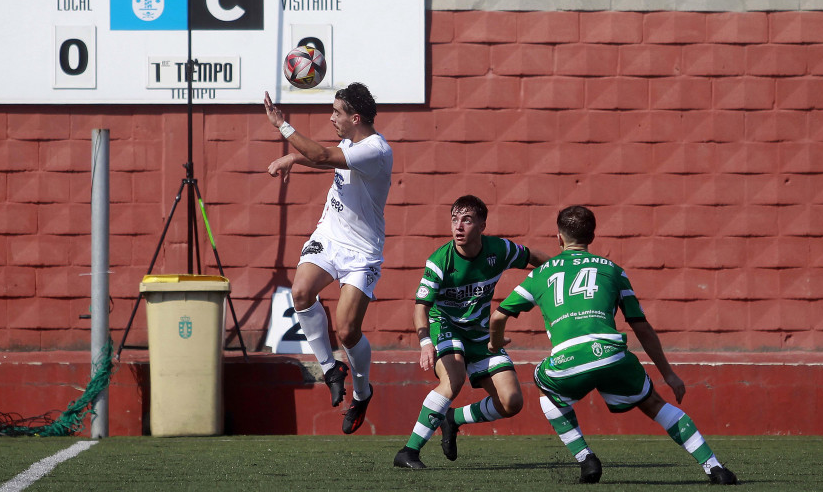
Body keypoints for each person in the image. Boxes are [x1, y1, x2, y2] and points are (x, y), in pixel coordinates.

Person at [488, 205, 738, 485]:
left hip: (568, 360)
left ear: (558, 237)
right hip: (612, 355)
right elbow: (640, 325)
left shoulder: (541, 274)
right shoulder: (613, 271)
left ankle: (585, 458)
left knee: (545, 387)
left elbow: (498, 317)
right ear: (592, 237)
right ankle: (715, 468)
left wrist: (494, 345)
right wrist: (669, 373)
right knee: (654, 403)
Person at [263, 83, 392, 435]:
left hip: (362, 252)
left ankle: (362, 393)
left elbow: (323, 156)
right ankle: (331, 369)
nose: (331, 117)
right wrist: (293, 158)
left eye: (336, 112)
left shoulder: (376, 150)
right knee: (301, 293)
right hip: (329, 237)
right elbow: (327, 158)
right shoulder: (352, 143)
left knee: (347, 330)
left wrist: (283, 127)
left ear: (355, 117)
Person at [393, 195, 551, 469]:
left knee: (511, 402)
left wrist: (562, 270)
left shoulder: (499, 250)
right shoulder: (440, 260)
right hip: (445, 325)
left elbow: (534, 257)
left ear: (482, 225)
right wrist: (425, 342)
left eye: (466, 220)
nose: (458, 226)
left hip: (480, 334)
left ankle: (453, 419)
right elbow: (420, 307)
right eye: (454, 220)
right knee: (453, 381)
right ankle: (408, 452)